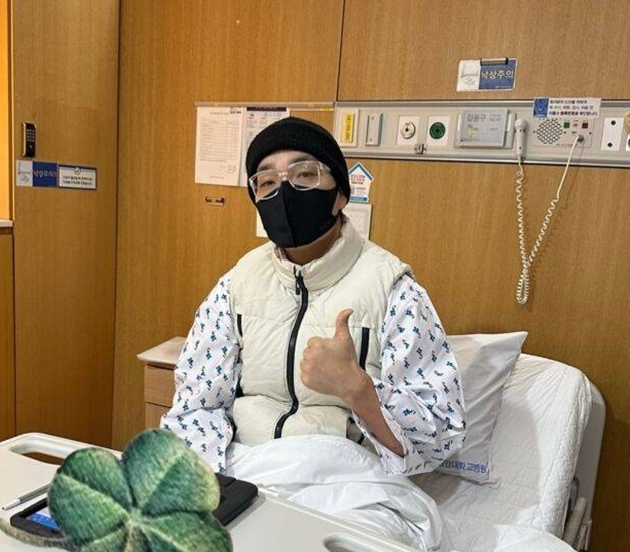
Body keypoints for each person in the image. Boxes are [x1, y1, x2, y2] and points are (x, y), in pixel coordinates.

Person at [162, 117, 466, 475]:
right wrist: (208, 488)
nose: (284, 191)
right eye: (267, 182)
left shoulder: (393, 289)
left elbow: (438, 439)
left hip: (347, 481)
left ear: (340, 195)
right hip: (246, 471)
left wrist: (358, 389)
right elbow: (197, 405)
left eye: (304, 174)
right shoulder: (238, 284)